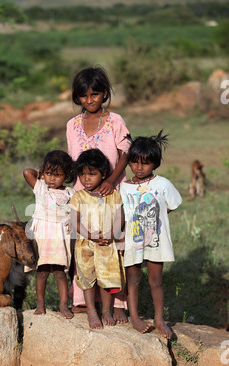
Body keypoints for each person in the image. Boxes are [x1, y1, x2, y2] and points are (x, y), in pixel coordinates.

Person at [66, 66, 130, 317]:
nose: (89, 100)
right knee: (84, 246)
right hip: (83, 197)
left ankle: (118, 304)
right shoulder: (72, 125)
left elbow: (125, 152)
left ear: (104, 94)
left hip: (110, 194)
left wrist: (112, 180)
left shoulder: (115, 121)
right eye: (83, 96)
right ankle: (82, 299)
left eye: (94, 94)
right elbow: (73, 161)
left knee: (113, 246)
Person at [120, 131, 182, 339]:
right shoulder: (124, 187)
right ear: (129, 162)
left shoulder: (162, 184)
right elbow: (121, 214)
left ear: (155, 164)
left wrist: (155, 219)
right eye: (135, 162)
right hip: (133, 240)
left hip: (157, 240)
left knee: (156, 280)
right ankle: (135, 317)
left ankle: (158, 318)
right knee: (134, 279)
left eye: (145, 163)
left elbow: (171, 205)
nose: (139, 167)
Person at [70, 149, 125, 330]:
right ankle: (92, 310)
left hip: (108, 245)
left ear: (103, 175)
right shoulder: (79, 197)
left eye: (92, 174)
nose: (86, 179)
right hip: (86, 245)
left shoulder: (113, 195)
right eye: (82, 175)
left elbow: (120, 217)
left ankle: (107, 310)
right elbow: (74, 221)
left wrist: (113, 234)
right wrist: (91, 235)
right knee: (87, 278)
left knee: (106, 278)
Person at [23, 150, 75, 319]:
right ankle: (40, 305)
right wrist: (40, 174)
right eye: (49, 173)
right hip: (42, 236)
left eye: (58, 175)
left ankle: (63, 305)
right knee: (42, 271)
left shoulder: (69, 193)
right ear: (43, 172)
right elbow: (26, 172)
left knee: (60, 273)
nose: (52, 178)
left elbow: (75, 213)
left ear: (66, 176)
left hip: (59, 237)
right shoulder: (41, 188)